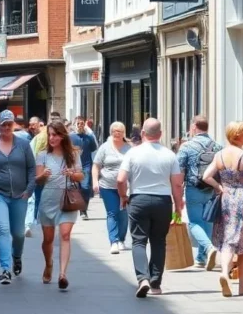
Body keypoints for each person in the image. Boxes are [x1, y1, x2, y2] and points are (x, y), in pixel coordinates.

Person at [117, 118, 184, 298]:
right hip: (163, 201)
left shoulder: (133, 153)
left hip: (139, 198)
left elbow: (120, 179)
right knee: (158, 241)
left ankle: (143, 278)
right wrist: (178, 205)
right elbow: (177, 184)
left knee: (139, 241)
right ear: (160, 134)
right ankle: (155, 282)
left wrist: (124, 196)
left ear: (143, 134)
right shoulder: (170, 155)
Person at [202, 121, 243, 297]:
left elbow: (206, 176)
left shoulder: (219, 155)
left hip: (226, 199)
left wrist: (219, 187)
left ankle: (229, 277)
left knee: (229, 238)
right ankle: (237, 282)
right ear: (237, 135)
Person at [0, 111, 37, 284]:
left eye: (9, 124)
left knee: (18, 233)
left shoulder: (23, 144)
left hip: (20, 194)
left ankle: (17, 256)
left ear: (14, 124)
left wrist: (29, 189)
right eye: (3, 124)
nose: (6, 127)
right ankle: (5, 269)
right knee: (3, 229)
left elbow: (31, 168)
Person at [35, 120, 84, 290]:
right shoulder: (42, 155)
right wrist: (43, 175)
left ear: (63, 136)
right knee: (47, 239)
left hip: (67, 200)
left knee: (65, 235)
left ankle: (62, 274)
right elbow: (37, 180)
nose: (51, 138)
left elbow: (81, 176)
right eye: (49, 135)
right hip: (48, 199)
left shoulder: (73, 154)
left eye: (55, 134)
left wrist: (72, 173)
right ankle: (49, 264)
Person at [176, 115, 222, 269]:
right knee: (207, 222)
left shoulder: (186, 147)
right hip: (212, 189)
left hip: (193, 188)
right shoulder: (217, 147)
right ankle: (201, 258)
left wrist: (177, 191)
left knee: (195, 222)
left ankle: (209, 249)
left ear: (194, 126)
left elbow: (179, 172)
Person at [93, 121, 131, 255]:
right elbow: (96, 165)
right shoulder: (104, 148)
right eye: (114, 131)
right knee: (112, 212)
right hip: (107, 186)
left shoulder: (129, 148)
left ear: (123, 133)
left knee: (123, 214)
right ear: (111, 132)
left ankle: (121, 239)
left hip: (125, 187)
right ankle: (113, 241)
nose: (117, 133)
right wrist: (95, 182)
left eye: (119, 131)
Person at [70, 116, 98, 220]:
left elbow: (93, 150)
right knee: (76, 188)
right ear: (74, 125)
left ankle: (83, 210)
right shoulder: (70, 137)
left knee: (85, 187)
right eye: (78, 123)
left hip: (86, 165)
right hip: (73, 166)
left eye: (82, 123)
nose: (80, 125)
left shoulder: (88, 138)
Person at [26, 116, 47, 238]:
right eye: (30, 124)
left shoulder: (38, 138)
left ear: (41, 124)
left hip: (38, 173)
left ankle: (31, 222)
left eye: (34, 124)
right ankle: (35, 220)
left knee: (33, 198)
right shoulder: (36, 139)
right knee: (36, 197)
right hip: (42, 173)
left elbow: (31, 157)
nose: (31, 127)